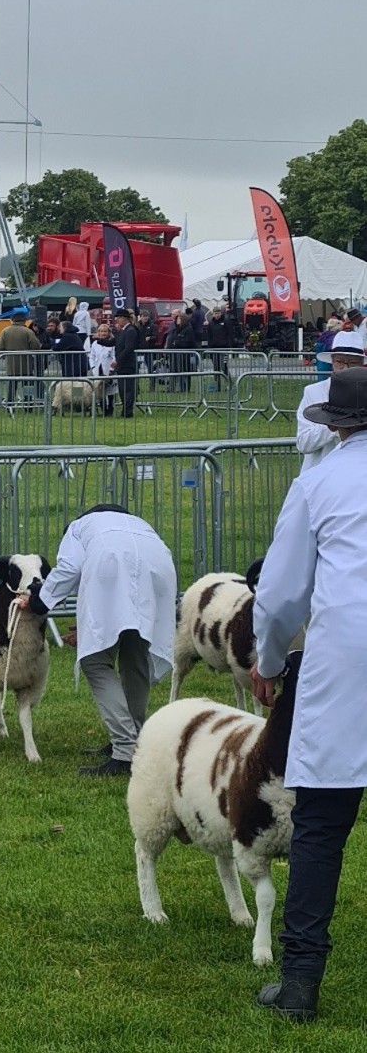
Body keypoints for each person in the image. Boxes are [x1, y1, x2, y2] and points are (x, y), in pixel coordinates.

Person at [250, 367, 367, 1023]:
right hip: (345, 657)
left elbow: (281, 593)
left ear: (336, 425)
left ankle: (299, 983)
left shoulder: (318, 482)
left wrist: (268, 661)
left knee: (320, 824)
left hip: (344, 659)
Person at [15, 503, 177, 776]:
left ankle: (125, 750)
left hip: (115, 568)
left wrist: (38, 602)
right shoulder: (137, 524)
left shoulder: (79, 528)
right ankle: (136, 739)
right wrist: (90, 625)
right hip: (158, 570)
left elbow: (69, 569)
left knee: (94, 662)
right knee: (135, 654)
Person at [294, 329, 364, 471]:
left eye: (353, 363)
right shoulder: (313, 392)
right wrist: (336, 425)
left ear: (362, 364)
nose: (345, 367)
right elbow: (303, 443)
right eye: (340, 362)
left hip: (358, 472)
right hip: (320, 472)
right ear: (332, 361)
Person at [0, 310, 41, 405]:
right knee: (27, 386)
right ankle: (28, 404)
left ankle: (10, 404)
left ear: (12, 320)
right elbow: (35, 345)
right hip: (26, 364)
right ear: (24, 321)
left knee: (12, 386)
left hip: (11, 364)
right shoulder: (28, 331)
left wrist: (1, 356)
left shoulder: (5, 331)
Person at [111, 309, 139, 418]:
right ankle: (125, 409)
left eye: (118, 318)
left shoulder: (130, 330)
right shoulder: (123, 331)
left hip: (127, 364)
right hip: (122, 365)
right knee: (122, 389)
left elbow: (128, 348)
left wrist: (117, 360)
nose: (117, 320)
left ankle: (128, 411)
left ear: (124, 318)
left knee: (127, 389)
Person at [89, 322, 116, 417]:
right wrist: (93, 366)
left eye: (105, 331)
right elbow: (92, 356)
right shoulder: (95, 343)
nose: (103, 333)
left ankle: (110, 408)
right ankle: (103, 409)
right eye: (101, 331)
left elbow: (114, 356)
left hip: (108, 369)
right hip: (98, 369)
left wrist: (112, 369)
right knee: (100, 390)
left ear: (109, 332)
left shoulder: (112, 343)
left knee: (110, 391)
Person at [205, 305, 232, 387]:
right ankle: (217, 385)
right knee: (216, 367)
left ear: (221, 313)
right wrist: (210, 346)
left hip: (224, 348)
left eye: (218, 313)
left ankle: (230, 383)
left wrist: (228, 344)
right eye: (215, 313)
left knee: (224, 366)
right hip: (214, 348)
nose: (217, 315)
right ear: (213, 314)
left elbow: (230, 334)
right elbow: (209, 336)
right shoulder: (211, 323)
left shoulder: (226, 322)